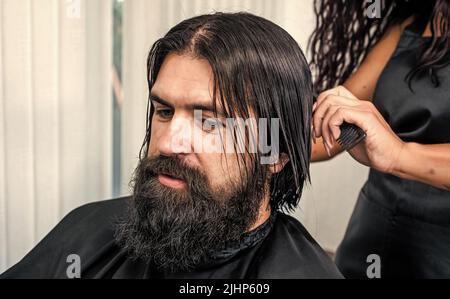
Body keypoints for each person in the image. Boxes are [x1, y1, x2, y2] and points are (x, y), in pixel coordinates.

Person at [1, 12, 342, 279]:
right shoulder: (89, 229)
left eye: (209, 120)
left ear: (275, 152)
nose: (167, 143)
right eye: (164, 110)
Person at [309, 0, 450, 278]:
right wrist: (258, 142)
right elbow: (338, 122)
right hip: (372, 234)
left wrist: (399, 155)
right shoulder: (409, 25)